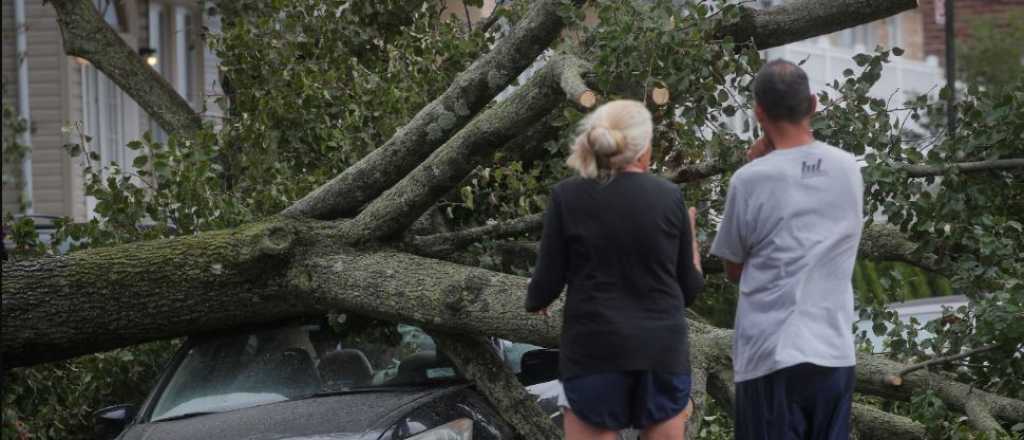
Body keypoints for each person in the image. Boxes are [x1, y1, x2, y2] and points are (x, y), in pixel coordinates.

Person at [526, 100, 705, 440]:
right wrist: (693, 254)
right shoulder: (669, 197)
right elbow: (688, 289)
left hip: (595, 349)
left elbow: (545, 284)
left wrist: (536, 300)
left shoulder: (567, 196)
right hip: (661, 350)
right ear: (644, 149)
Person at [710, 59, 864, 439]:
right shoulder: (848, 169)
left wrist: (759, 159)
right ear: (813, 104)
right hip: (834, 351)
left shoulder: (749, 180)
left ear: (758, 112)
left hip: (770, 353)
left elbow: (733, 269)